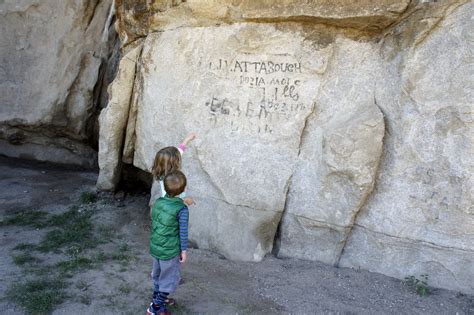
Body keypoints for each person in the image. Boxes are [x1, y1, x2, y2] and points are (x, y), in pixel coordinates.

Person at [147, 171, 189, 315]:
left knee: (158, 275)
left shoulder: (158, 202)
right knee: (169, 280)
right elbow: (183, 233)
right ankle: (155, 308)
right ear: (183, 190)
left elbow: (155, 223)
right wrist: (183, 251)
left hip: (156, 247)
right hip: (170, 251)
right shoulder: (182, 210)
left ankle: (158, 299)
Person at [149, 133, 197, 208]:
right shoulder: (171, 181)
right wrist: (186, 200)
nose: (179, 161)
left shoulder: (164, 172)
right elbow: (172, 200)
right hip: (174, 206)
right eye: (177, 160)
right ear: (174, 163)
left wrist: (187, 139)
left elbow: (179, 151)